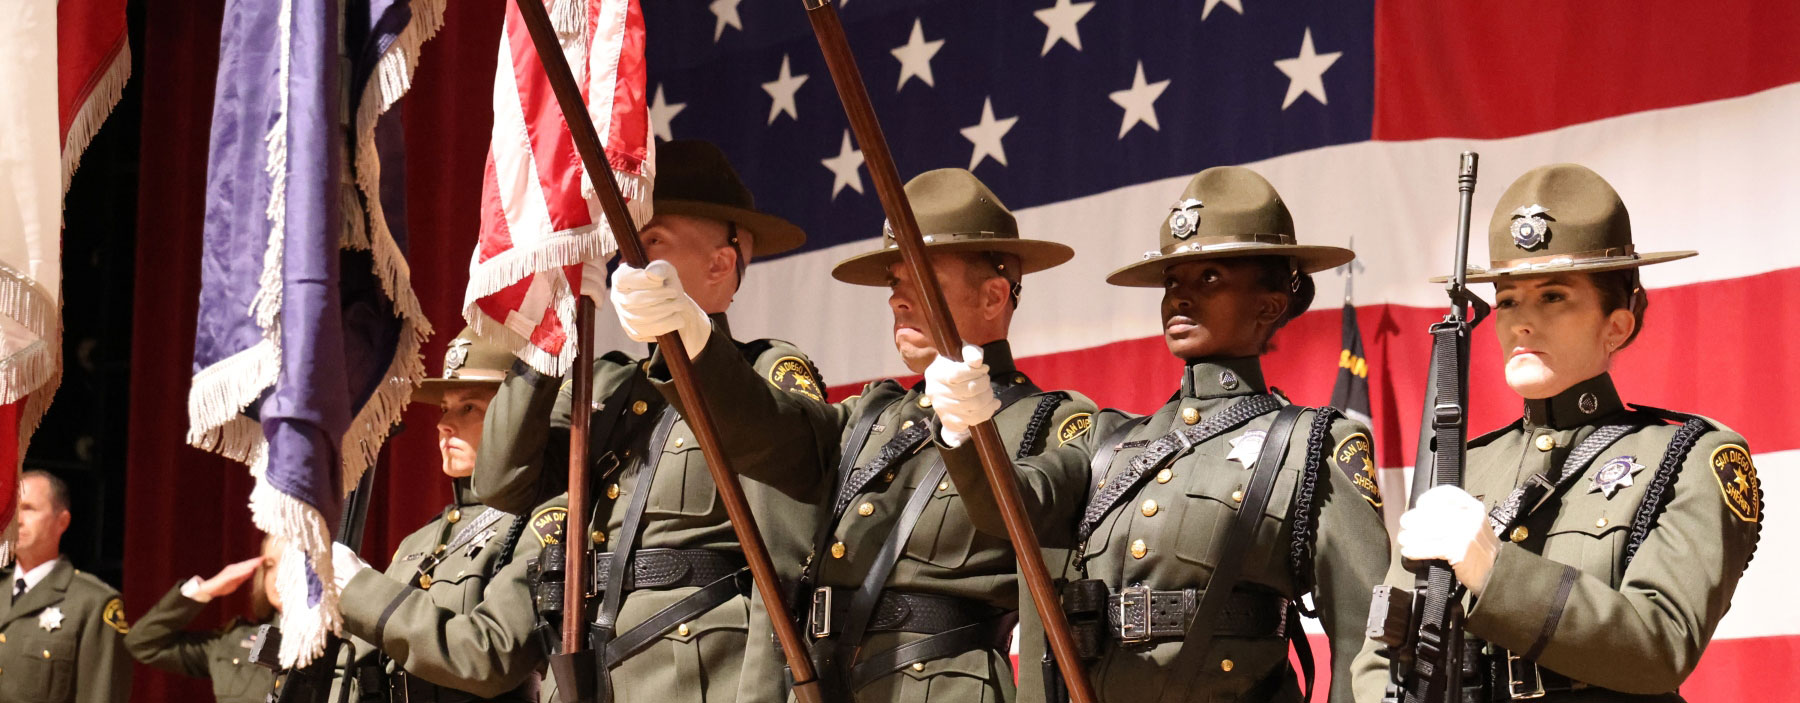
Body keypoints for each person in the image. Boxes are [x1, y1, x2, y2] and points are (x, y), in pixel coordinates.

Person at [613, 167, 1098, 701]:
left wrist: (969, 435)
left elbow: (1028, 522)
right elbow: (767, 429)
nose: (898, 299)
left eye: (923, 280)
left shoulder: (1046, 421)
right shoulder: (874, 414)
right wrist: (691, 341)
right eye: (895, 282)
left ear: (992, 297)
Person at [924, 166, 1389, 702]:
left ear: (1270, 305)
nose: (1180, 298)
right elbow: (1008, 507)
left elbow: (1364, 641)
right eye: (1172, 282)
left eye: (1208, 277)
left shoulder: (1312, 445)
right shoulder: (1107, 442)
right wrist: (964, 427)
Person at [1349, 163, 1762, 702]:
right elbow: (1383, 654)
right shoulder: (1464, 466)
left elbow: (1660, 646)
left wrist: (1494, 570)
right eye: (1507, 301)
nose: (1521, 321)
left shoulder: (1689, 458)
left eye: (1553, 297)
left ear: (1616, 324)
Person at [475, 139, 820, 703]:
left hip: (698, 677)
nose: (625, 259)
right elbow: (501, 483)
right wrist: (544, 340)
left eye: (651, 240)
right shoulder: (606, 387)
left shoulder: (763, 375)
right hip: (592, 668)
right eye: (624, 243)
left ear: (719, 263)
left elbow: (781, 571)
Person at [326, 327, 543, 701]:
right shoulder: (422, 539)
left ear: (516, 417)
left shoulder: (534, 523)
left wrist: (359, 587)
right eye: (445, 408)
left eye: (468, 407)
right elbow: (363, 659)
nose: (443, 423)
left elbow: (490, 657)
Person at [0, 470, 133, 702]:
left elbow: (101, 695)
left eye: (29, 509)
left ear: (62, 521)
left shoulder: (92, 602)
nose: (17, 519)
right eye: (12, 509)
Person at [125, 538, 283, 702]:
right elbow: (142, 643)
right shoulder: (234, 641)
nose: (277, 576)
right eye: (270, 566)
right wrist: (204, 589)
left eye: (290, 564)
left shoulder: (312, 648)